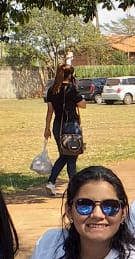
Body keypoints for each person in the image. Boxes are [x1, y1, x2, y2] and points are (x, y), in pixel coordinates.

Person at [42, 63, 85, 197]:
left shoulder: (52, 90)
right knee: (72, 156)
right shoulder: (71, 90)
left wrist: (47, 128)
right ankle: (74, 188)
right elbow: (82, 105)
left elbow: (50, 111)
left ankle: (51, 182)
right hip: (71, 125)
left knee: (64, 155)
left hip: (58, 126)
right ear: (70, 75)